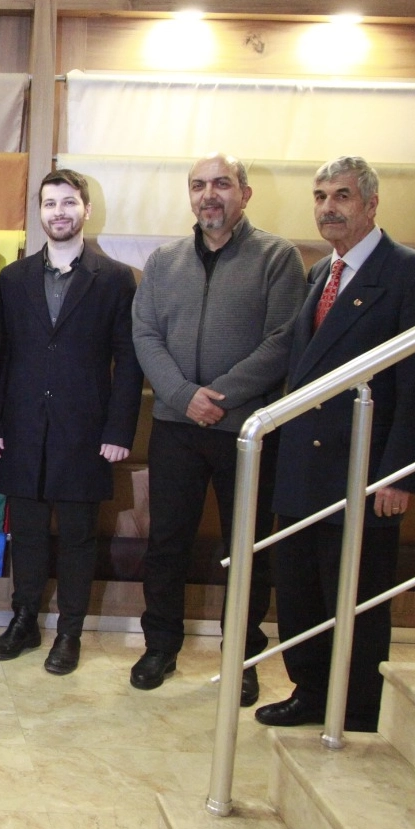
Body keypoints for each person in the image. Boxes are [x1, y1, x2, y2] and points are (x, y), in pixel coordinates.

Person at [256, 156, 415, 733]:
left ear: (371, 203)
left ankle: (358, 708)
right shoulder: (321, 272)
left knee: (355, 598)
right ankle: (310, 692)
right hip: (303, 469)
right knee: (300, 591)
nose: (328, 208)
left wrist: (401, 474)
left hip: (363, 471)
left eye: (341, 195)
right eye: (320, 197)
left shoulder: (413, 275)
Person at [130, 153, 307, 704]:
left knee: (247, 548)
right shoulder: (164, 261)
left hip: (248, 431)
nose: (209, 194)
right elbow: (145, 335)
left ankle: (242, 657)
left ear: (244, 194)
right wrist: (185, 396)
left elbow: (282, 340)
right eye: (199, 185)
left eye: (222, 184)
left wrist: (219, 398)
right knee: (166, 543)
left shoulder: (278, 257)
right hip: (175, 426)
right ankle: (160, 646)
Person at [0, 169, 143, 674]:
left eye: (69, 202)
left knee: (77, 538)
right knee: (27, 534)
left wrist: (119, 431)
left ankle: (69, 631)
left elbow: (128, 362)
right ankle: (24, 621)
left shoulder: (115, 279)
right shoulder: (14, 279)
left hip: (86, 432)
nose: (59, 212)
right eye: (50, 203)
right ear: (40, 212)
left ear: (86, 210)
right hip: (22, 428)